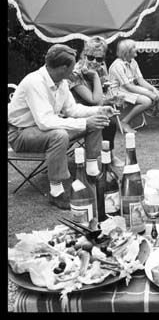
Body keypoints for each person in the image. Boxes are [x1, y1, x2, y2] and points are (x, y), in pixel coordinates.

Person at [8, 44, 117, 210]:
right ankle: (56, 192)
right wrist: (84, 123)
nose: (75, 71)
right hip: (21, 134)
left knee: (96, 119)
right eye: (73, 67)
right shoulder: (34, 82)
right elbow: (45, 122)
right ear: (63, 68)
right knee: (59, 135)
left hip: (46, 128)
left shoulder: (61, 81)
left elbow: (71, 110)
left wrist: (99, 110)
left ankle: (91, 173)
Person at [68, 37, 124, 168]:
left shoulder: (100, 69)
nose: (94, 62)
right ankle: (98, 160)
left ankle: (108, 156)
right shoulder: (75, 74)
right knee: (105, 122)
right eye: (90, 57)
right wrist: (95, 77)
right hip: (76, 111)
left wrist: (112, 99)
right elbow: (94, 100)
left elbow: (101, 96)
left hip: (93, 109)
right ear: (83, 55)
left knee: (111, 122)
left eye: (99, 59)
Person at [108, 39, 159, 133]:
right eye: (133, 48)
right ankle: (124, 122)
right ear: (127, 51)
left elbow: (140, 80)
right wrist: (148, 94)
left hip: (129, 88)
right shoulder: (117, 65)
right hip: (117, 91)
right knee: (147, 101)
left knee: (157, 93)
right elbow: (128, 86)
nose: (136, 49)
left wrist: (153, 89)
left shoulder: (133, 61)